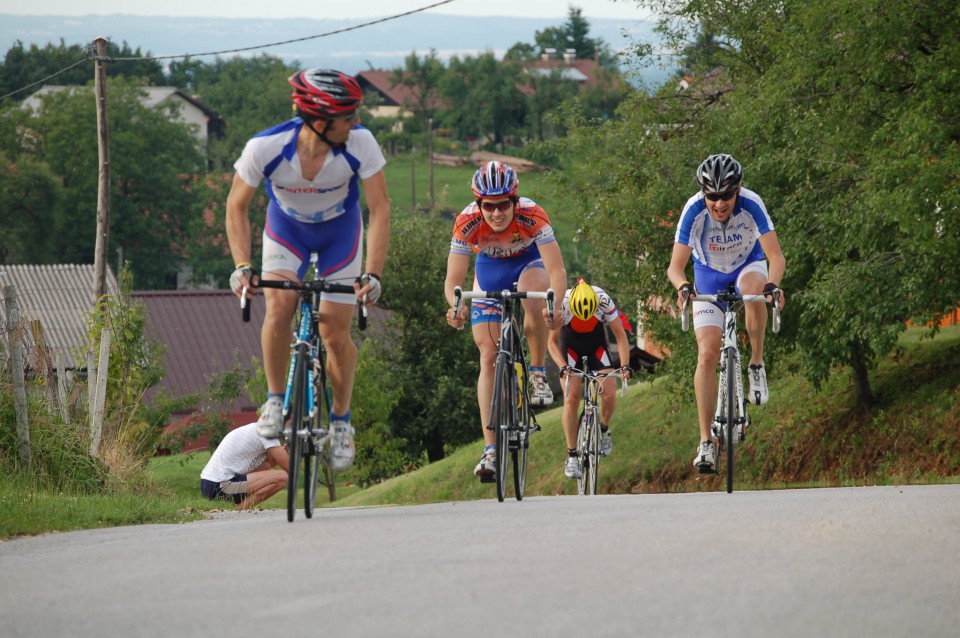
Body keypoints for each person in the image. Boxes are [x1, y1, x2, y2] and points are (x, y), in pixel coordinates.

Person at [226, 68, 391, 473]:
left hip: (340, 233)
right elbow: (235, 205)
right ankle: (275, 399)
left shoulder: (360, 143)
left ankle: (340, 422)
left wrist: (372, 273)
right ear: (320, 121)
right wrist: (243, 266)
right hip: (287, 231)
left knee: (335, 333)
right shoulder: (265, 147)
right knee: (279, 309)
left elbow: (380, 208)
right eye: (347, 116)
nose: (355, 123)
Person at [444, 160, 567, 481]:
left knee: (533, 293)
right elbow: (454, 280)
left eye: (503, 205)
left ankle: (538, 373)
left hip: (529, 265)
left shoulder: (533, 215)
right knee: (487, 356)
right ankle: (490, 449)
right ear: (479, 204)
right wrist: (455, 307)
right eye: (489, 206)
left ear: (514, 201)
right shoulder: (467, 221)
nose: (496, 213)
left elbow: (557, 271)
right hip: (489, 273)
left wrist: (555, 305)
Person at [666, 153, 786, 473]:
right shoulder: (693, 210)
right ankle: (706, 441)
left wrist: (773, 284)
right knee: (706, 354)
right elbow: (675, 268)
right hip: (707, 274)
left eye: (726, 195)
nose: (719, 204)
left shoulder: (753, 204)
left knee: (755, 293)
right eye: (712, 196)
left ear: (738, 190)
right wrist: (682, 287)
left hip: (748, 265)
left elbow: (776, 256)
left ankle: (756, 362)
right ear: (704, 194)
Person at [548, 278, 632, 479]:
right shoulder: (562, 303)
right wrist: (562, 367)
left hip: (596, 346)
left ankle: (603, 429)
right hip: (570, 348)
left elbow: (620, 336)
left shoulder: (603, 300)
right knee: (571, 398)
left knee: (610, 394)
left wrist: (625, 366)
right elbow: (551, 342)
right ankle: (572, 455)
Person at [200, 423, 290, 510]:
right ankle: (238, 510)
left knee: (274, 474)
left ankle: (237, 509)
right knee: (283, 477)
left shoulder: (258, 430)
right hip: (220, 485)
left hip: (209, 484)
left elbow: (268, 464)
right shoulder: (268, 432)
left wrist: (283, 454)